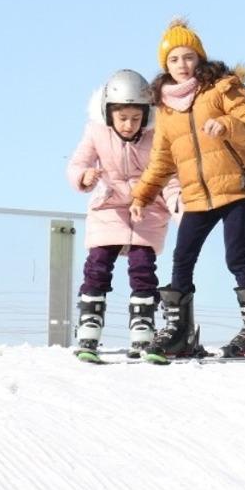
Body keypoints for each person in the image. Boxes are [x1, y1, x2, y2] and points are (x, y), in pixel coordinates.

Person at [130, 18, 245, 358]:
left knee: (236, 255)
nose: (182, 65)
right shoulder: (165, 109)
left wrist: (227, 124)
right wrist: (142, 195)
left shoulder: (222, 88)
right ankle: (179, 331)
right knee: (182, 258)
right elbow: (161, 159)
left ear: (200, 58)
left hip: (235, 187)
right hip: (196, 195)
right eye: (174, 59)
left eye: (189, 57)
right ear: (165, 65)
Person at [67, 70, 180, 358]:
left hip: (147, 210)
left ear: (147, 114)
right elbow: (77, 163)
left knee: (143, 267)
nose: (129, 125)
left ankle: (143, 326)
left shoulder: (157, 136)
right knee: (98, 263)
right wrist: (84, 176)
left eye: (135, 118)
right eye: (122, 118)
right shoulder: (96, 132)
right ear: (108, 114)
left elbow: (168, 176)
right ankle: (89, 324)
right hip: (108, 207)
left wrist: (178, 206)